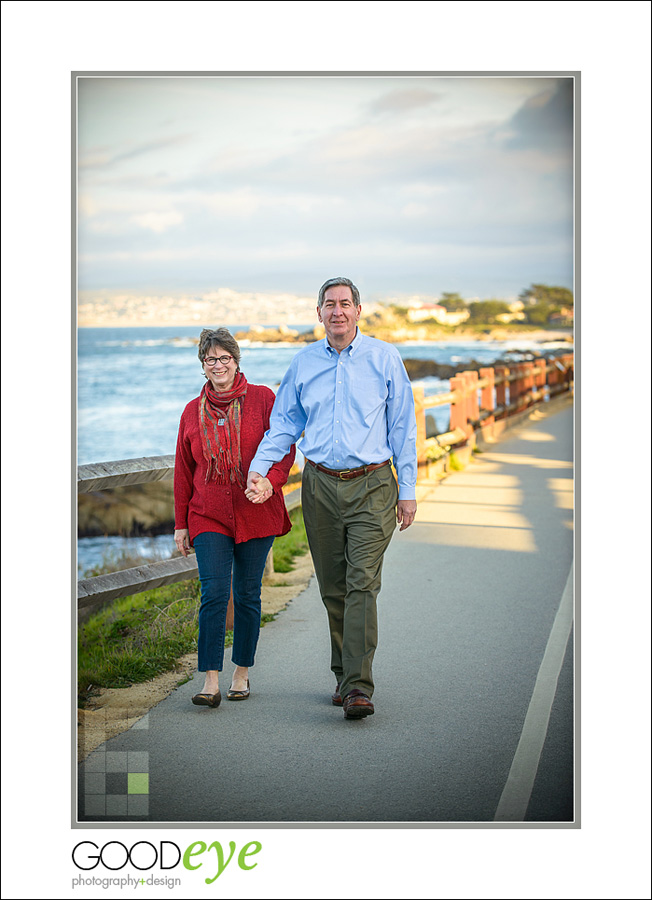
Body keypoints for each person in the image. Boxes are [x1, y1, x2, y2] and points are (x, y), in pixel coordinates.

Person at [246, 277, 417, 719]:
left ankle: (358, 686)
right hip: (319, 485)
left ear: (359, 310)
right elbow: (283, 423)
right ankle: (344, 673)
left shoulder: (385, 359)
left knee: (362, 582)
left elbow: (402, 428)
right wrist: (260, 470)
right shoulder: (303, 364)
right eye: (329, 304)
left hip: (373, 485)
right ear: (318, 313)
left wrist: (408, 491)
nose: (337, 311)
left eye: (345, 304)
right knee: (334, 588)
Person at [174, 327, 295, 709]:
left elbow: (285, 446)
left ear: (236, 360)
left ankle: (241, 672)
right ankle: (210, 679)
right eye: (210, 359)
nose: (218, 365)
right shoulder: (191, 413)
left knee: (246, 594)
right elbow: (183, 469)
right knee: (213, 594)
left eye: (225, 357)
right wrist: (180, 524)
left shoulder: (263, 398)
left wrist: (272, 484)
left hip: (255, 511)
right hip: (207, 514)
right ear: (202, 366)